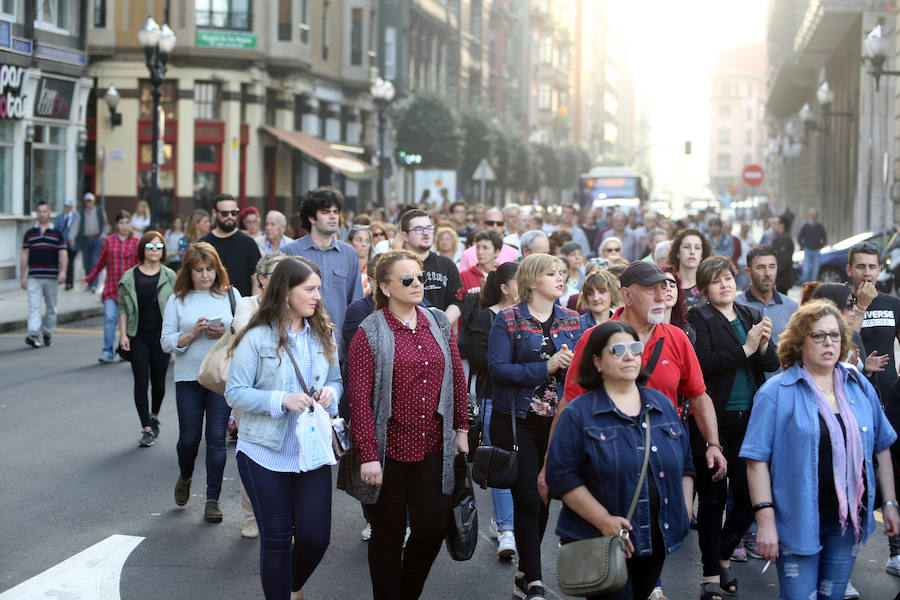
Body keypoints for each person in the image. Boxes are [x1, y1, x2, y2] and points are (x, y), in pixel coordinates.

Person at [741, 300, 900, 600]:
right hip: (795, 521)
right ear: (799, 342)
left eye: (835, 335)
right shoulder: (776, 392)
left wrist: (890, 503)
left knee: (833, 596)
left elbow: (882, 446)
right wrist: (764, 522)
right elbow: (756, 460)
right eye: (818, 335)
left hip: (846, 522)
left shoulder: (858, 385)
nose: (829, 342)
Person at [346, 250, 469, 600]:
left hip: (433, 443)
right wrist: (368, 454)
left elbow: (456, 378)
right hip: (389, 449)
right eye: (406, 280)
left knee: (432, 526)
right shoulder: (369, 331)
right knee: (388, 531)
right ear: (384, 287)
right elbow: (360, 399)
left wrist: (461, 429)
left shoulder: (438, 322)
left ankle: (407, 592)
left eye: (419, 277)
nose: (417, 284)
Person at [546, 321, 695, 600]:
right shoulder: (579, 414)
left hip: (655, 539)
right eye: (617, 350)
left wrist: (683, 511)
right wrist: (603, 521)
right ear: (597, 362)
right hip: (603, 540)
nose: (629, 356)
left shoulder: (661, 405)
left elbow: (685, 464)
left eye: (635, 348)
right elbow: (561, 477)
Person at [557, 261, 727, 498]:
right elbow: (570, 403)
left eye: (665, 288)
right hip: (607, 461)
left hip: (663, 460)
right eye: (650, 290)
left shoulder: (677, 338)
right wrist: (552, 462)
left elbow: (698, 396)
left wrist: (713, 445)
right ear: (626, 295)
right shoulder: (595, 338)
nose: (662, 296)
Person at [226, 257, 342, 600]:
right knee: (276, 540)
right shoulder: (257, 337)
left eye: (318, 289)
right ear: (286, 292)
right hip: (263, 451)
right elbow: (235, 391)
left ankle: (291, 585)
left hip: (311, 451)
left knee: (315, 537)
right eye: (309, 289)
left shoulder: (324, 332)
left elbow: (335, 379)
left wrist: (330, 393)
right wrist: (280, 400)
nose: (317, 296)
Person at [487, 253, 582, 600]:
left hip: (559, 423)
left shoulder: (573, 320)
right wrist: (547, 368)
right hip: (518, 421)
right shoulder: (509, 319)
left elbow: (585, 371)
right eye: (551, 273)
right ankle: (535, 581)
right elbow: (496, 370)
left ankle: (526, 571)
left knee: (542, 499)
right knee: (528, 498)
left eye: (562, 273)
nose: (560, 278)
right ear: (531, 280)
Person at [686, 256, 779, 600]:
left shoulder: (749, 314)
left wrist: (764, 346)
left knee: (751, 496)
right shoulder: (699, 317)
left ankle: (723, 553)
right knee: (714, 500)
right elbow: (706, 364)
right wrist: (747, 347)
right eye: (717, 280)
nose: (725, 284)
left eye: (728, 278)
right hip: (713, 419)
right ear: (705, 289)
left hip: (749, 417)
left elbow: (769, 364)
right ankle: (711, 575)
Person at [161, 242, 241, 523]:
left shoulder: (230, 295)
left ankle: (212, 499)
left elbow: (243, 335)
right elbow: (166, 341)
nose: (205, 275)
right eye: (199, 270)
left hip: (220, 378)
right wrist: (192, 334)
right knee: (189, 439)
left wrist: (225, 332)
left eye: (210, 269)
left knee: (216, 440)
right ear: (189, 271)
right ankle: (185, 474)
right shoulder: (177, 300)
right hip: (188, 378)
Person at [468, 262, 519, 560]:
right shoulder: (485, 317)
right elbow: (481, 358)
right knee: (502, 463)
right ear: (503, 287)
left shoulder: (532, 316)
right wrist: (524, 366)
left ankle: (507, 521)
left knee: (525, 468)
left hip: (530, 402)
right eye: (519, 280)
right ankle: (507, 530)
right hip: (493, 399)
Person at [283, 186, 363, 349]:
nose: (333, 216)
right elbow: (280, 300)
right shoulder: (289, 252)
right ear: (312, 218)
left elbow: (356, 304)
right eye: (326, 212)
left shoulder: (349, 254)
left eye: (336, 211)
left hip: (339, 346)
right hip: (298, 345)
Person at [117, 231, 176, 448]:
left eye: (158, 247)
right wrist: (123, 334)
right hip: (137, 335)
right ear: (142, 249)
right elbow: (123, 307)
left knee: (159, 382)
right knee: (140, 381)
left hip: (161, 337)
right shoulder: (129, 277)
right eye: (150, 247)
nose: (154, 251)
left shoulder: (170, 276)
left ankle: (154, 415)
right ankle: (146, 428)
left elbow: (178, 305)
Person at [86, 211, 140, 363]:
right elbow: (100, 262)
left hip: (130, 290)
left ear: (130, 224)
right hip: (111, 288)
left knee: (129, 322)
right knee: (110, 318)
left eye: (126, 223)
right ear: (117, 225)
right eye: (121, 223)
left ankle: (125, 350)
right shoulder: (109, 241)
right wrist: (90, 278)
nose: (124, 226)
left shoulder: (136, 242)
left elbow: (141, 266)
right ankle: (107, 350)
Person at [399, 209, 464, 324]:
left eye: (429, 228)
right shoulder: (395, 266)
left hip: (439, 333)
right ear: (405, 236)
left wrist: (441, 325)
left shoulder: (447, 264)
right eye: (419, 229)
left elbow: (458, 301)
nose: (426, 233)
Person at [21, 200, 67, 348]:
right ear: (37, 213)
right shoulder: (30, 233)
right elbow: (24, 255)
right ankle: (33, 334)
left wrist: (63, 272)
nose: (42, 214)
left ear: (49, 213)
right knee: (34, 306)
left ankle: (47, 331)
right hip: (34, 276)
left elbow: (63, 254)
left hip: (52, 276)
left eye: (44, 211)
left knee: (51, 307)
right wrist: (23, 276)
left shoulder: (57, 233)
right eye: (39, 211)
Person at [735, 245, 798, 349]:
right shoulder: (736, 305)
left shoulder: (792, 307)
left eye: (772, 267)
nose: (768, 273)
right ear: (748, 272)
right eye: (761, 267)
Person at [201, 194, 262, 297]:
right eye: (225, 213)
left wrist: (253, 306)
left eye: (234, 213)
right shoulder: (204, 244)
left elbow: (256, 278)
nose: (230, 217)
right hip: (210, 305)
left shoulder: (248, 243)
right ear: (214, 213)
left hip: (242, 307)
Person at [70, 192, 108, 292]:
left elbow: (105, 224)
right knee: (86, 262)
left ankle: (95, 284)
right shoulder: (81, 213)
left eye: (90, 201)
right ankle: (89, 283)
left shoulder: (99, 211)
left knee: (94, 261)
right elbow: (76, 225)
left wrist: (103, 235)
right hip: (85, 239)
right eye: (87, 202)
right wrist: (72, 238)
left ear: (94, 202)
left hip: (97, 239)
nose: (89, 203)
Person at [668, 228, 712, 309]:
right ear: (677, 253)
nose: (692, 251)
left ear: (702, 254)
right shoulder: (667, 283)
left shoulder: (709, 285)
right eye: (686, 247)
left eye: (697, 248)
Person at [461, 230, 502, 295]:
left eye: (485, 248)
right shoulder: (464, 276)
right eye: (478, 247)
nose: (480, 252)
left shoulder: (502, 275)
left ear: (497, 252)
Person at [53, 199, 78, 290]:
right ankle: (65, 280)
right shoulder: (60, 217)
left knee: (70, 263)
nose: (67, 208)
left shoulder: (76, 216)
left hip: (72, 243)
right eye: (65, 206)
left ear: (71, 207)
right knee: (63, 262)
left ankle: (69, 282)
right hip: (62, 243)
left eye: (68, 207)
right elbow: (56, 229)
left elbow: (78, 229)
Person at [347, 225, 374, 296]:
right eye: (359, 240)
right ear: (350, 243)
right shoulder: (344, 269)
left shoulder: (375, 269)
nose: (364, 244)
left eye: (367, 241)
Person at [771, 215, 795, 294]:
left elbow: (784, 260)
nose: (773, 226)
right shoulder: (778, 238)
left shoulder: (785, 239)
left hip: (782, 280)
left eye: (775, 223)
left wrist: (774, 272)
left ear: (782, 225)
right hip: (778, 279)